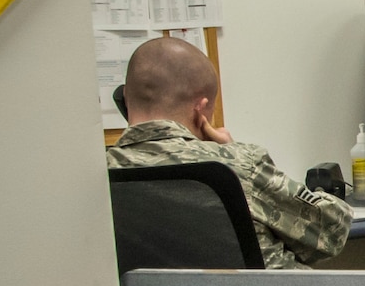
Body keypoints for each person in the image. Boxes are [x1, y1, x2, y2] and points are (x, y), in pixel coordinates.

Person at [107, 36, 352, 269]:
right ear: (201, 110)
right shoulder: (236, 164)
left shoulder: (98, 174)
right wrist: (229, 151)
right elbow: (332, 232)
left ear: (125, 99)